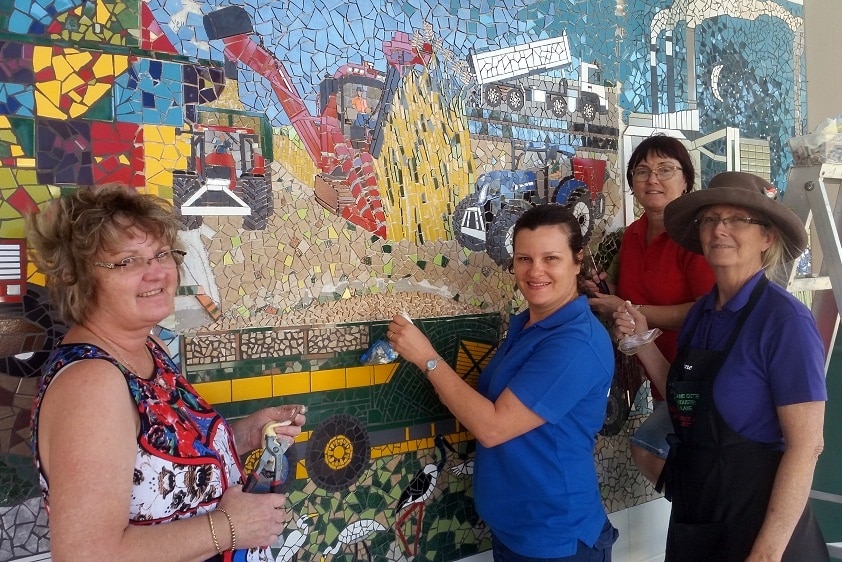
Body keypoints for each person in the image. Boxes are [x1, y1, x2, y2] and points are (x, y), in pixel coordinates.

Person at [28, 185, 306, 561]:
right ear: (79, 278)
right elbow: (86, 555)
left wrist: (238, 437)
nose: (156, 272)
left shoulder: (145, 347)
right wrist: (227, 528)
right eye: (127, 261)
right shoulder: (92, 384)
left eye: (161, 254)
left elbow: (154, 461)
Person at [615, 171, 828, 562]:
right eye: (711, 219)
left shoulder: (785, 322)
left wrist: (766, 554)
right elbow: (688, 403)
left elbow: (807, 446)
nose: (719, 230)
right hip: (698, 519)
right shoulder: (701, 314)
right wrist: (643, 343)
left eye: (736, 220)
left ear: (767, 237)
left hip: (761, 530)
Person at [388, 204, 618, 561]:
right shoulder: (527, 324)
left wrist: (428, 359)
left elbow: (493, 426)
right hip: (516, 531)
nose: (535, 270)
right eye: (524, 258)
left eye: (551, 258)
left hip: (555, 537)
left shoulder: (575, 343)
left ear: (577, 260)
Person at [585, 135, 715, 484]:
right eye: (642, 171)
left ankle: (705, 523)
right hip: (659, 375)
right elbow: (630, 297)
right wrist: (606, 293)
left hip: (698, 376)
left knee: (651, 449)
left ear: (686, 180)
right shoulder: (632, 235)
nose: (652, 179)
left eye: (665, 169)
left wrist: (629, 308)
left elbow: (708, 311)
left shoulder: (696, 236)